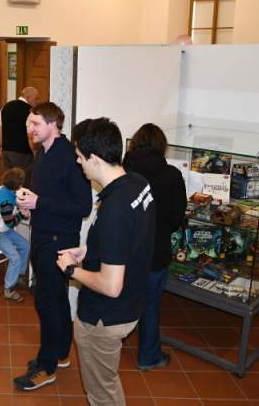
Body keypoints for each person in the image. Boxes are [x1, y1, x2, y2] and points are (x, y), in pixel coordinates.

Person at [57, 118, 156, 406]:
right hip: (133, 302)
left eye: (79, 156)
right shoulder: (137, 184)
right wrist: (88, 251)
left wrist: (72, 269)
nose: (78, 162)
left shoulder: (115, 208)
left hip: (105, 317)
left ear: (95, 159)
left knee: (102, 393)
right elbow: (128, 241)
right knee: (108, 382)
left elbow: (111, 286)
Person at [13, 102, 92, 391]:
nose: (29, 129)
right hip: (44, 234)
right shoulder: (43, 154)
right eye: (28, 124)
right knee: (56, 299)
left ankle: (46, 368)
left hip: (59, 240)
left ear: (53, 125)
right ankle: (60, 354)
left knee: (46, 301)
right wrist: (29, 207)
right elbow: (46, 198)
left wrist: (40, 203)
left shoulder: (70, 156)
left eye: (35, 124)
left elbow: (83, 206)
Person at [124, 123, 186, 371]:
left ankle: (112, 346)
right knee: (150, 305)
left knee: (123, 298)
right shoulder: (172, 175)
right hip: (155, 250)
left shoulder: (124, 169)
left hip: (126, 248)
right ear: (162, 145)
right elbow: (177, 217)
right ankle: (148, 357)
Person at [0, 167, 31, 302]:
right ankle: (9, 289)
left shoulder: (6, 190)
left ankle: (18, 275)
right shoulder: (5, 201)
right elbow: (10, 223)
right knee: (15, 258)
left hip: (3, 228)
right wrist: (22, 215)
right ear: (16, 185)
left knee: (26, 246)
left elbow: (13, 202)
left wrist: (19, 207)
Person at [0, 86, 38, 186]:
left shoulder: (6, 107)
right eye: (36, 98)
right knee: (23, 182)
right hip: (23, 153)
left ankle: (8, 197)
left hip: (6, 151)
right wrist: (35, 152)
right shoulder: (30, 111)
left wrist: (3, 145)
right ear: (28, 97)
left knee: (8, 182)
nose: (37, 102)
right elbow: (30, 134)